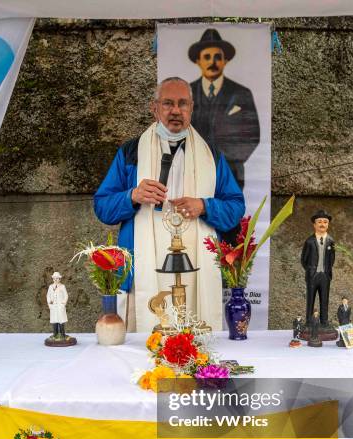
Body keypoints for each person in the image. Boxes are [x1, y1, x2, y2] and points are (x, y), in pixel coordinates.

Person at [93, 77, 245, 332]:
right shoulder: (131, 153)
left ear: (192, 108)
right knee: (140, 358)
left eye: (183, 104)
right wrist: (131, 196)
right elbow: (102, 206)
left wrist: (205, 206)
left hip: (196, 271)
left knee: (197, 350)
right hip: (142, 269)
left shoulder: (212, 155)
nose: (176, 111)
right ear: (155, 108)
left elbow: (235, 208)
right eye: (168, 103)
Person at [189, 29, 260, 192]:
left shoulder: (242, 94)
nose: (212, 62)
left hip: (232, 175)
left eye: (217, 57)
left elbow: (252, 135)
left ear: (225, 61)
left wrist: (228, 161)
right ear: (198, 61)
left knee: (229, 216)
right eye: (207, 57)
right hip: (193, 176)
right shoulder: (187, 94)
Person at [301, 210, 336, 328]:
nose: (322, 224)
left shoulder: (331, 241)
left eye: (325, 222)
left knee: (324, 299)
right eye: (319, 222)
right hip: (312, 275)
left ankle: (324, 321)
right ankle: (309, 322)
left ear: (328, 224)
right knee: (310, 299)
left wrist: (327, 270)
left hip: (325, 275)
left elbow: (332, 259)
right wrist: (310, 270)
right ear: (314, 225)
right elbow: (304, 259)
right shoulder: (309, 241)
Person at [47, 272, 68, 338]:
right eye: (54, 278)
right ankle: (55, 334)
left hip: (60, 306)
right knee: (54, 320)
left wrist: (63, 303)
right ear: (53, 279)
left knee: (61, 320)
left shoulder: (62, 286)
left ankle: (62, 334)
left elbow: (66, 295)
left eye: (57, 278)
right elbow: (48, 295)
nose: (55, 280)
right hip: (53, 306)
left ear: (59, 279)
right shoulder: (50, 287)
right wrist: (49, 303)